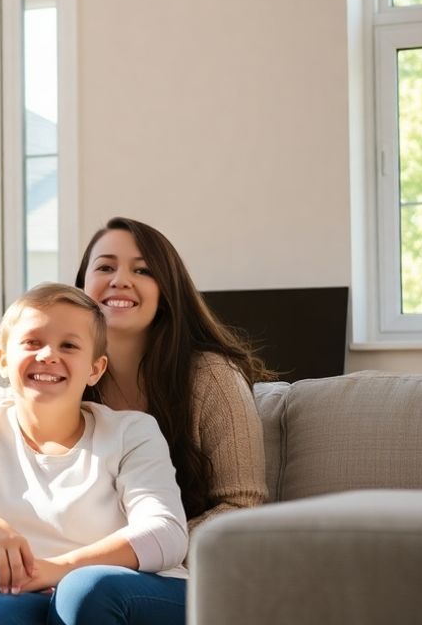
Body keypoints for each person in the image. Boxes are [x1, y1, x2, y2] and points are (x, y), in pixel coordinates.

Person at [0, 283, 188, 625]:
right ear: (3, 360)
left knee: (81, 587)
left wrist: (59, 568)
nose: (48, 355)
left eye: (69, 345)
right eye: (33, 342)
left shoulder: (132, 432)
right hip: (28, 589)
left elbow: (166, 534)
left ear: (95, 369)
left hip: (127, 590)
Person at [75, 217, 275, 532]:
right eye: (105, 267)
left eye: (143, 270)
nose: (120, 280)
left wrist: (146, 549)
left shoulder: (212, 376)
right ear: (81, 288)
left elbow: (241, 506)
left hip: (179, 556)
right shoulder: (61, 373)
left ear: (166, 290)